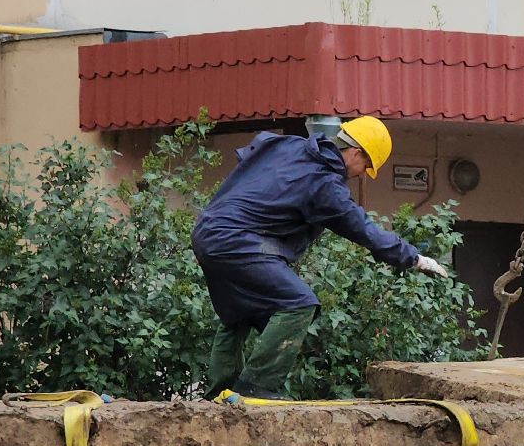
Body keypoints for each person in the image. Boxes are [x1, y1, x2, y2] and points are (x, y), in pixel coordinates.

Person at [192, 116, 449, 400]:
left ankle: (218, 395)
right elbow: (363, 229)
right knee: (299, 303)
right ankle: (256, 385)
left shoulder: (290, 146)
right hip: (237, 240)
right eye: (366, 166)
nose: (362, 174)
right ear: (356, 153)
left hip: (209, 231)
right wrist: (415, 259)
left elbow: (251, 155)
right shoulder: (325, 184)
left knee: (238, 314)